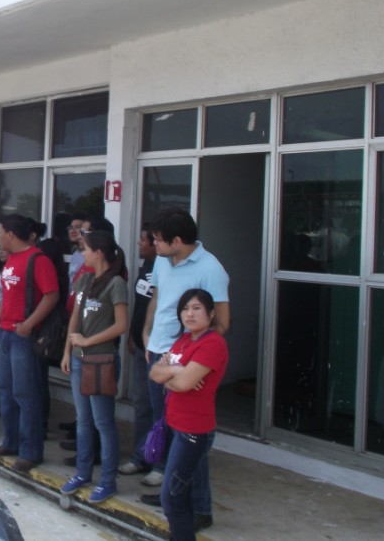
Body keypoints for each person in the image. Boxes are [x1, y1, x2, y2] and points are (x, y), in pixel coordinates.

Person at [140, 207, 229, 532]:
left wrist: (191, 359)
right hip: (159, 351)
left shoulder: (210, 269)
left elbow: (221, 323)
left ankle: (200, 507)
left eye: (159, 241)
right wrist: (148, 333)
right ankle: (173, 489)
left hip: (186, 359)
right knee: (167, 423)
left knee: (191, 435)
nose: (154, 246)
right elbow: (159, 299)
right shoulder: (163, 262)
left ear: (177, 241)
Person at [149, 289, 228, 541]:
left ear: (211, 313)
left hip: (193, 431)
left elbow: (180, 384)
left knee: (171, 498)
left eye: (196, 308)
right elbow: (154, 374)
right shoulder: (183, 341)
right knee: (181, 493)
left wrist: (171, 376)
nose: (189, 314)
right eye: (185, 309)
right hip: (175, 424)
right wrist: (179, 371)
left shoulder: (213, 343)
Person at [58, 230, 128, 505]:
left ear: (98, 252)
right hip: (78, 358)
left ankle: (108, 480)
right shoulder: (85, 279)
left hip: (101, 360)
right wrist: (67, 351)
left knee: (103, 422)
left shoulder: (116, 284)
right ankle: (83, 473)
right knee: (83, 420)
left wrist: (89, 340)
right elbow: (74, 317)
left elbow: (120, 325)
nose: (82, 254)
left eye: (85, 249)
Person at [0, 214, 59, 472]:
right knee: (6, 391)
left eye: (0, 232)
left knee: (25, 394)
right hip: (6, 333)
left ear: (11, 234)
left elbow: (51, 295)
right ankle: (11, 441)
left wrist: (29, 324)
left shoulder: (37, 259)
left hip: (23, 336)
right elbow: (7, 295)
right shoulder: (11, 260)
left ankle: (31, 450)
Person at [118, 228, 157, 475]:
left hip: (158, 349)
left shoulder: (166, 268)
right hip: (141, 345)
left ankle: (157, 458)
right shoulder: (147, 266)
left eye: (143, 240)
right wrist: (133, 333)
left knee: (158, 407)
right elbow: (141, 305)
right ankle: (140, 455)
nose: (138, 243)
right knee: (142, 404)